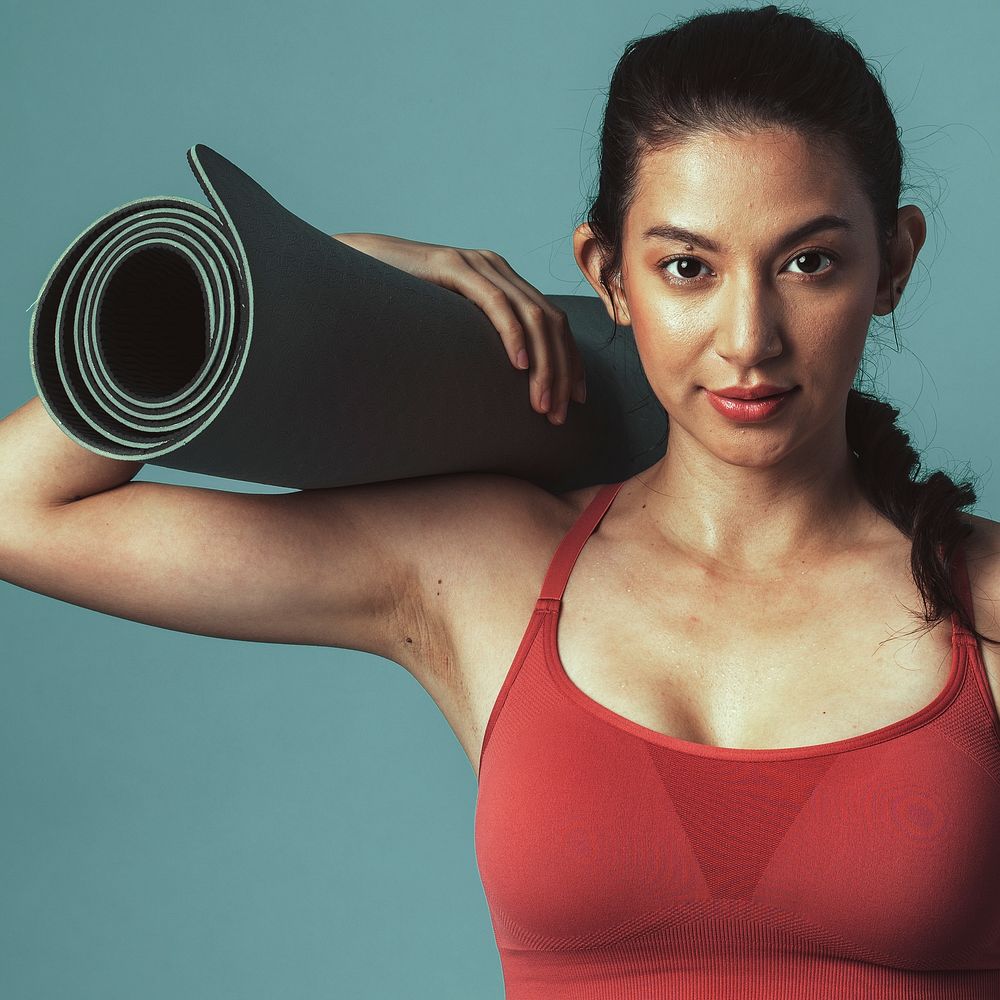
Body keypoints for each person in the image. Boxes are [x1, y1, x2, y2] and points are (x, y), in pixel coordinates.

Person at [2, 3, 999, 995]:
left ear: (895, 261)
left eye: (806, 262)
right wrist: (315, 280)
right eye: (686, 268)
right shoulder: (481, 569)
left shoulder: (981, 604)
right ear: (607, 274)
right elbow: (21, 509)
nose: (748, 335)